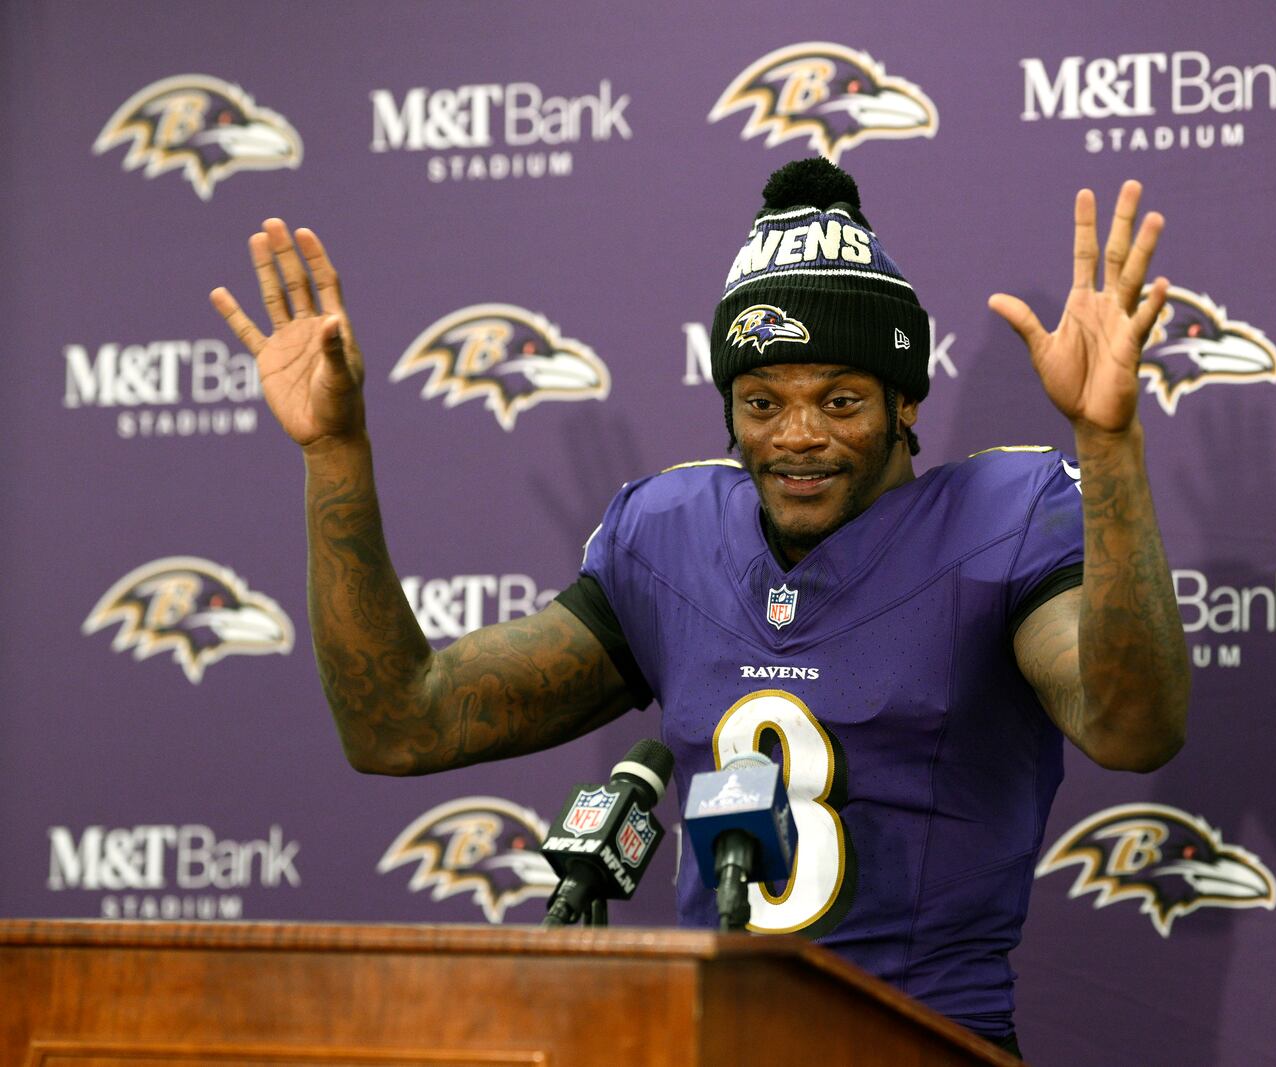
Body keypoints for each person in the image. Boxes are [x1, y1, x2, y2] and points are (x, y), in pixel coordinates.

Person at [210, 159, 1189, 1054]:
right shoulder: (671, 535)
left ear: (906, 403)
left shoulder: (999, 518)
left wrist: (1109, 444)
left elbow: (1131, 726)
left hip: (921, 1044)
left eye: (840, 398)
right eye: (762, 401)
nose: (798, 434)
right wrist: (334, 453)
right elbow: (402, 723)